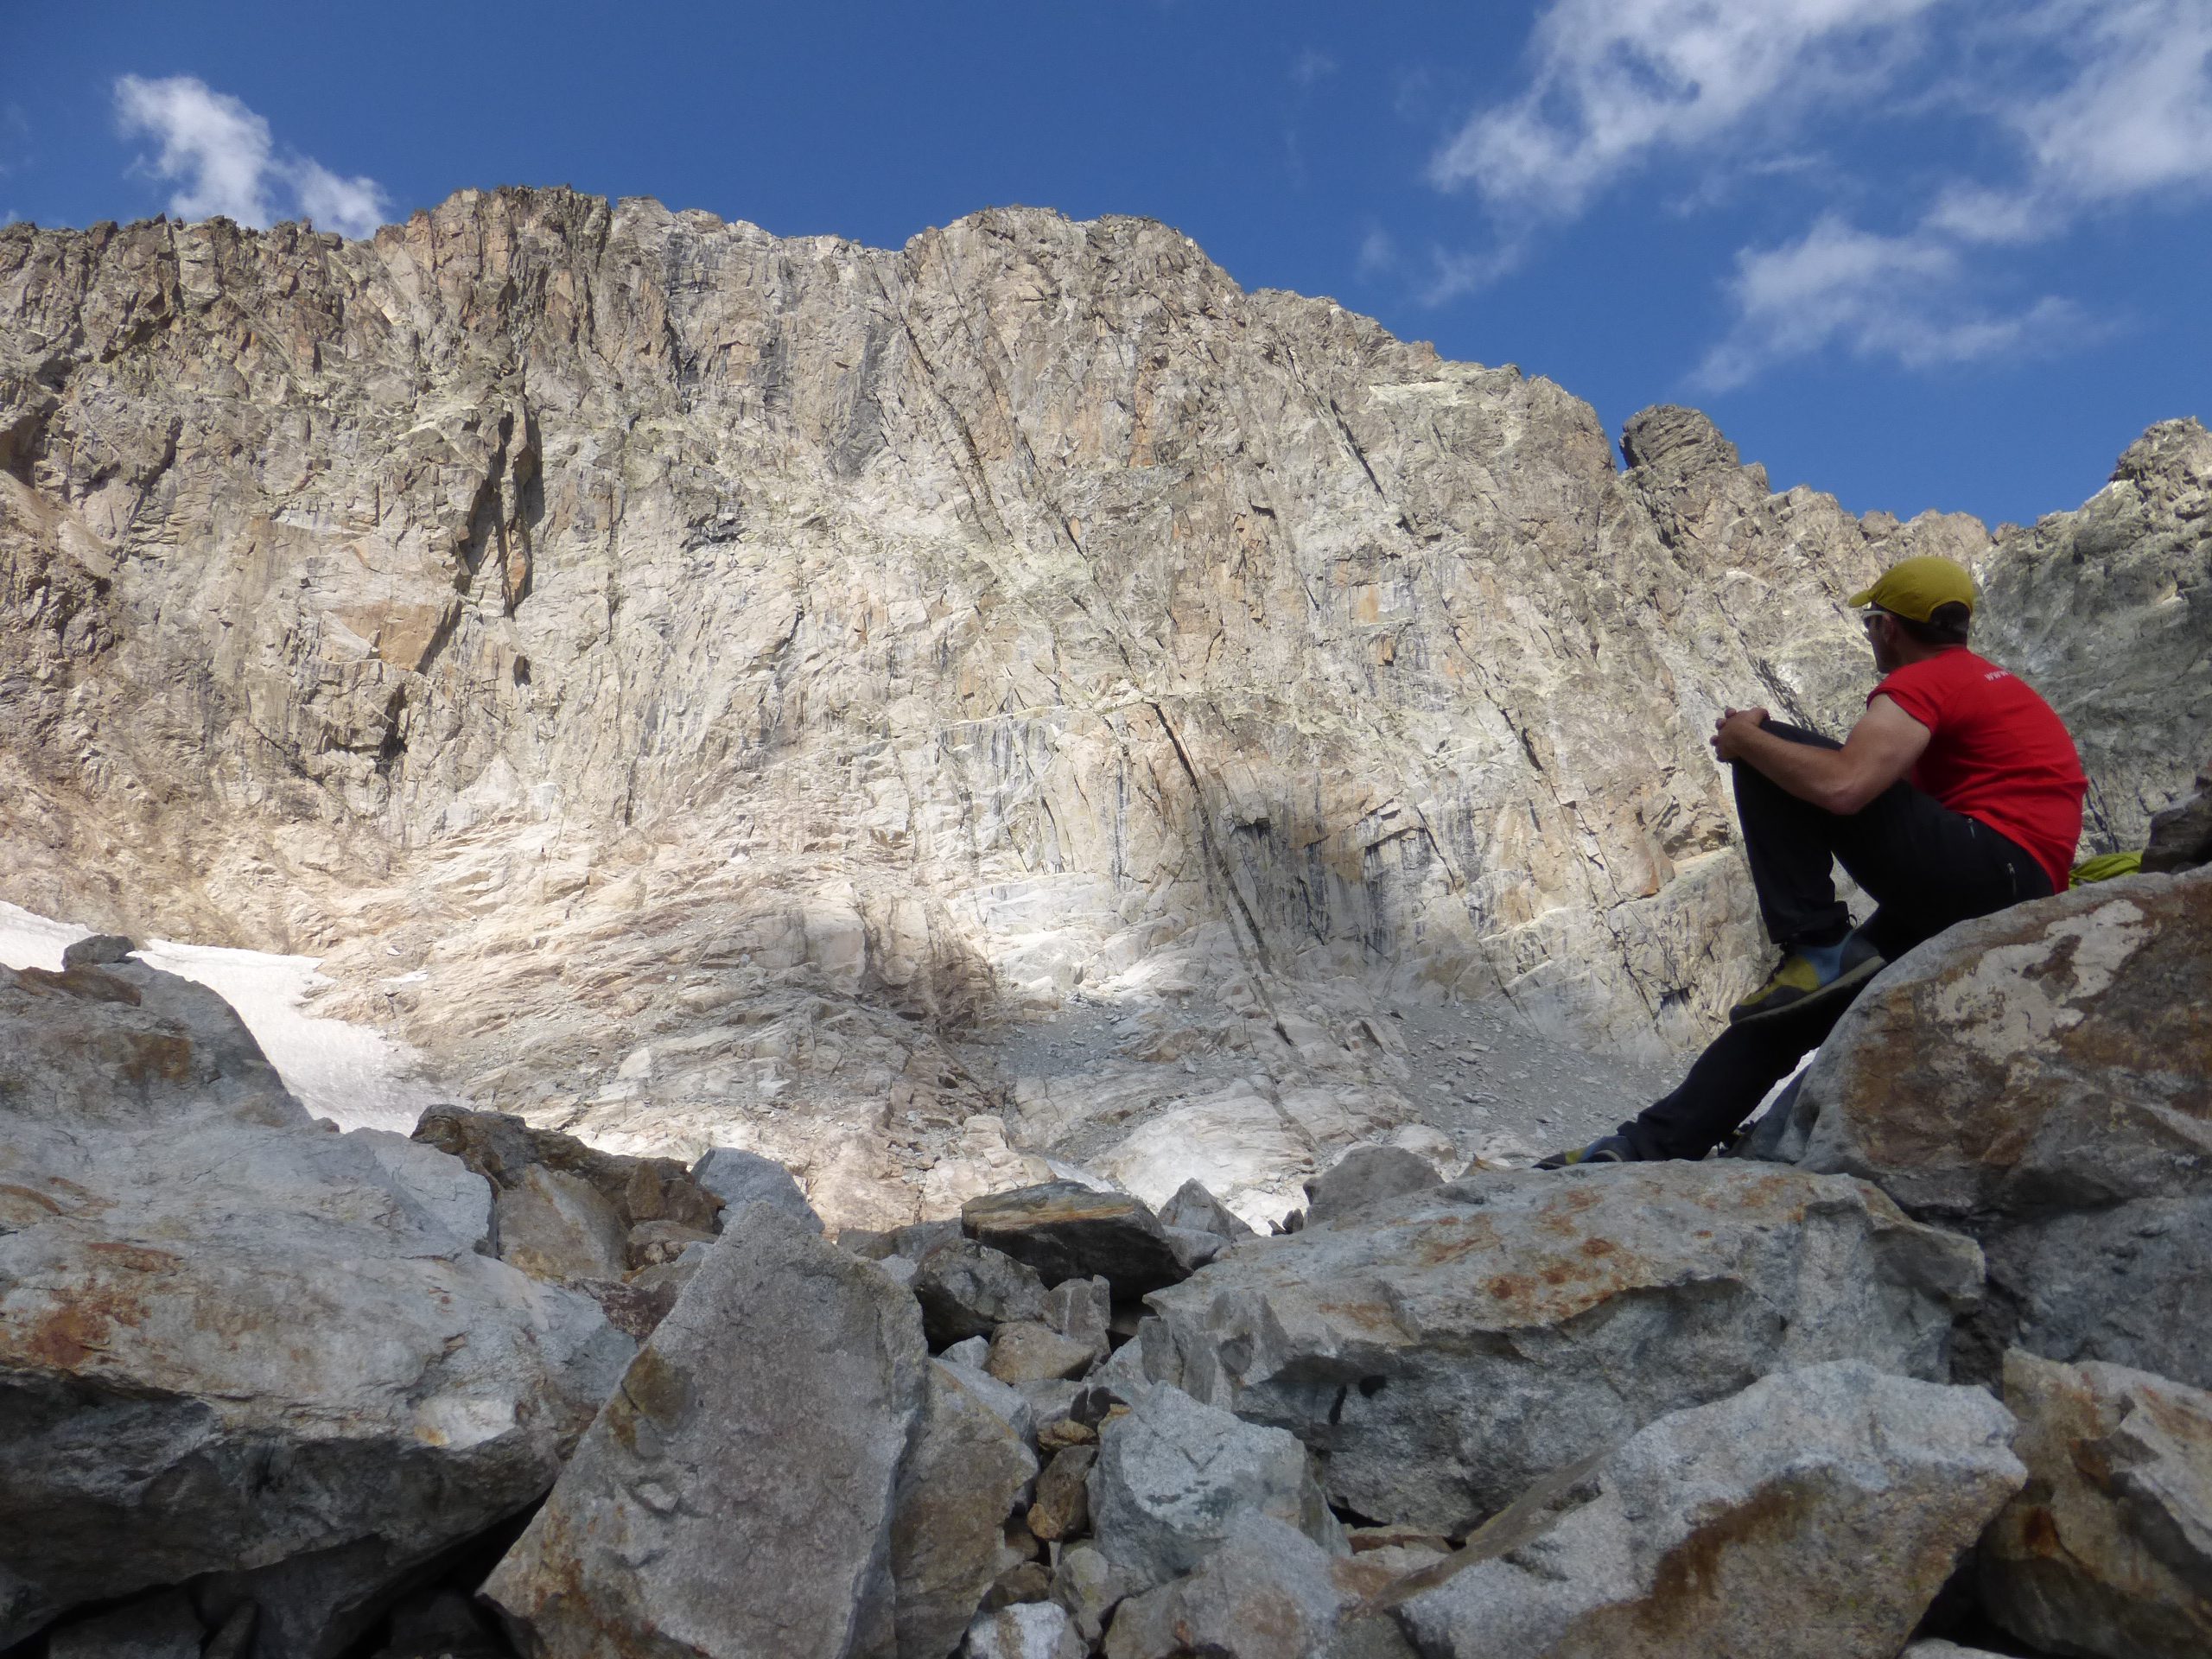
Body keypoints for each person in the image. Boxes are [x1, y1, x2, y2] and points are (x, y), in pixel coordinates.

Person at [1541, 554, 2088, 1166]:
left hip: (1990, 872)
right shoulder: (1990, 685)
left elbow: (1843, 788)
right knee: (1798, 1009)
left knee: (1775, 756)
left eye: (1872, 623)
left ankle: (1815, 940)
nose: (1872, 635)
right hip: (2005, 883)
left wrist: (1748, 740)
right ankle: (1650, 1143)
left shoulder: (1925, 681)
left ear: (1888, 628)